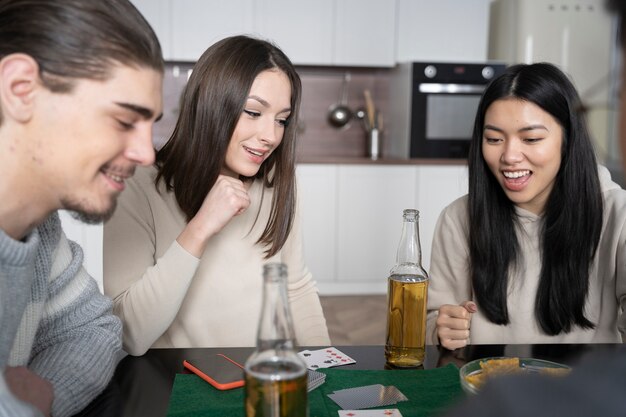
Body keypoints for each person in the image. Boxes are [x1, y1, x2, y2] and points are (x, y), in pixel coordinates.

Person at [103, 35, 330, 356]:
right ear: (209, 104)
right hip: (180, 385)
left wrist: (325, 362)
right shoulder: (138, 185)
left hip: (265, 377)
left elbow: (295, 286)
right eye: (253, 112)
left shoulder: (279, 182)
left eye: (281, 120)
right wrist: (201, 226)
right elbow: (130, 334)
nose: (270, 136)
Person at [0, 0, 163, 416]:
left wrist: (43, 399)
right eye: (125, 121)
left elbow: (92, 328)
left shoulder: (43, 229)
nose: (146, 153)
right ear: (21, 89)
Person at [426, 61, 626, 350]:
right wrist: (440, 329)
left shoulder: (617, 214)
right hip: (489, 387)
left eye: (531, 139)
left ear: (568, 139)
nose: (509, 156)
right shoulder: (459, 218)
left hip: (583, 391)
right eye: (494, 139)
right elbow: (435, 323)